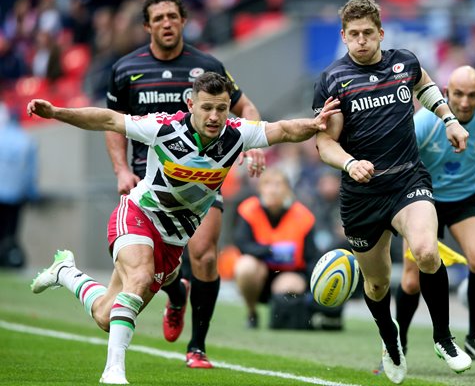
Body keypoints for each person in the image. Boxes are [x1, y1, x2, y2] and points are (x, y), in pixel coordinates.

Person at [28, 72, 341, 384]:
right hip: (138, 214)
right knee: (138, 277)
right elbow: (109, 120)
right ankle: (113, 372)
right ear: (191, 103)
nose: (214, 116)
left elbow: (284, 129)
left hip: (173, 238)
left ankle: (65, 271)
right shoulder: (164, 128)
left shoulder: (237, 134)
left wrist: (314, 125)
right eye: (206, 108)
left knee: (106, 317)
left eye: (221, 108)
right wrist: (57, 112)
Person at [313, 0, 472, 384]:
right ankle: (390, 338)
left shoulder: (404, 62)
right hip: (362, 194)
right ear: (344, 36)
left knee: (426, 251)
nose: (362, 41)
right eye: (354, 35)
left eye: (369, 33)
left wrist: (448, 118)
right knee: (378, 282)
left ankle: (443, 338)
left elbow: (426, 85)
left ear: (381, 33)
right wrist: (350, 162)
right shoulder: (333, 80)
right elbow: (325, 144)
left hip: (407, 179)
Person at [104, 0, 265, 369]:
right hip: (151, 182)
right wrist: (121, 169)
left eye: (172, 16)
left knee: (205, 255)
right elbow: (113, 124)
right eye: (158, 18)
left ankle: (197, 346)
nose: (166, 23)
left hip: (202, 176)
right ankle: (176, 294)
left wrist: (255, 141)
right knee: (159, 266)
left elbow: (245, 105)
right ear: (147, 26)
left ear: (183, 21)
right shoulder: (126, 68)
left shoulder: (206, 64)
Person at [394, 66, 475, 368]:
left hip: (466, 199)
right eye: (458, 94)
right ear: (446, 93)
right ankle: (398, 345)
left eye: (472, 95)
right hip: (424, 199)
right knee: (410, 281)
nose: (464, 102)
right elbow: (401, 161)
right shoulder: (424, 122)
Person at [233, 168, 319, 329]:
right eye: (267, 184)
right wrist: (272, 250)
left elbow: (311, 256)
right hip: (260, 272)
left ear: (288, 190)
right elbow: (242, 244)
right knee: (245, 266)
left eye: (278, 184)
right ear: (260, 189)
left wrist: (312, 287)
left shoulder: (304, 216)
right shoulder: (249, 209)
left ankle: (280, 315)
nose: (272, 190)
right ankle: (251, 312)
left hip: (289, 273)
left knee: (289, 286)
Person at [0, 102, 38, 268]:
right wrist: (31, 193)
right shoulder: (27, 139)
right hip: (16, 195)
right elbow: (30, 171)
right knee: (11, 230)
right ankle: (8, 254)